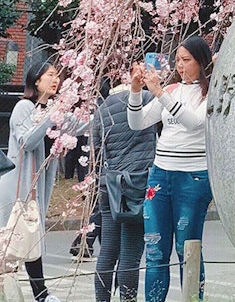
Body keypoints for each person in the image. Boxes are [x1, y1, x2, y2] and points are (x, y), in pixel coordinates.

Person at [128, 37, 214, 302]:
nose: (180, 66)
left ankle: (192, 298)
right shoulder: (173, 90)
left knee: (186, 248)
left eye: (186, 60)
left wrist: (159, 93)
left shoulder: (210, 92)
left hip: (193, 177)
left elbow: (194, 122)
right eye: (177, 60)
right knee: (154, 248)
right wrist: (134, 90)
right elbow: (137, 122)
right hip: (160, 174)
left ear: (202, 62)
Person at [0, 61, 84, 302]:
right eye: (50, 75)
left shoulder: (54, 111)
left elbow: (83, 127)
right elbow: (27, 141)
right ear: (36, 81)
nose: (55, 79)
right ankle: (41, 294)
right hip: (17, 186)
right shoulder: (24, 107)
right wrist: (51, 116)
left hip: (39, 186)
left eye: (57, 75)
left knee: (28, 236)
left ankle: (41, 294)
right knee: (14, 235)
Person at [94, 75, 157, 302]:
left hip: (108, 185)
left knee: (108, 251)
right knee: (130, 253)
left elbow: (96, 150)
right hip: (136, 185)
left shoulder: (102, 109)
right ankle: (127, 300)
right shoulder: (148, 98)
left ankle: (102, 300)